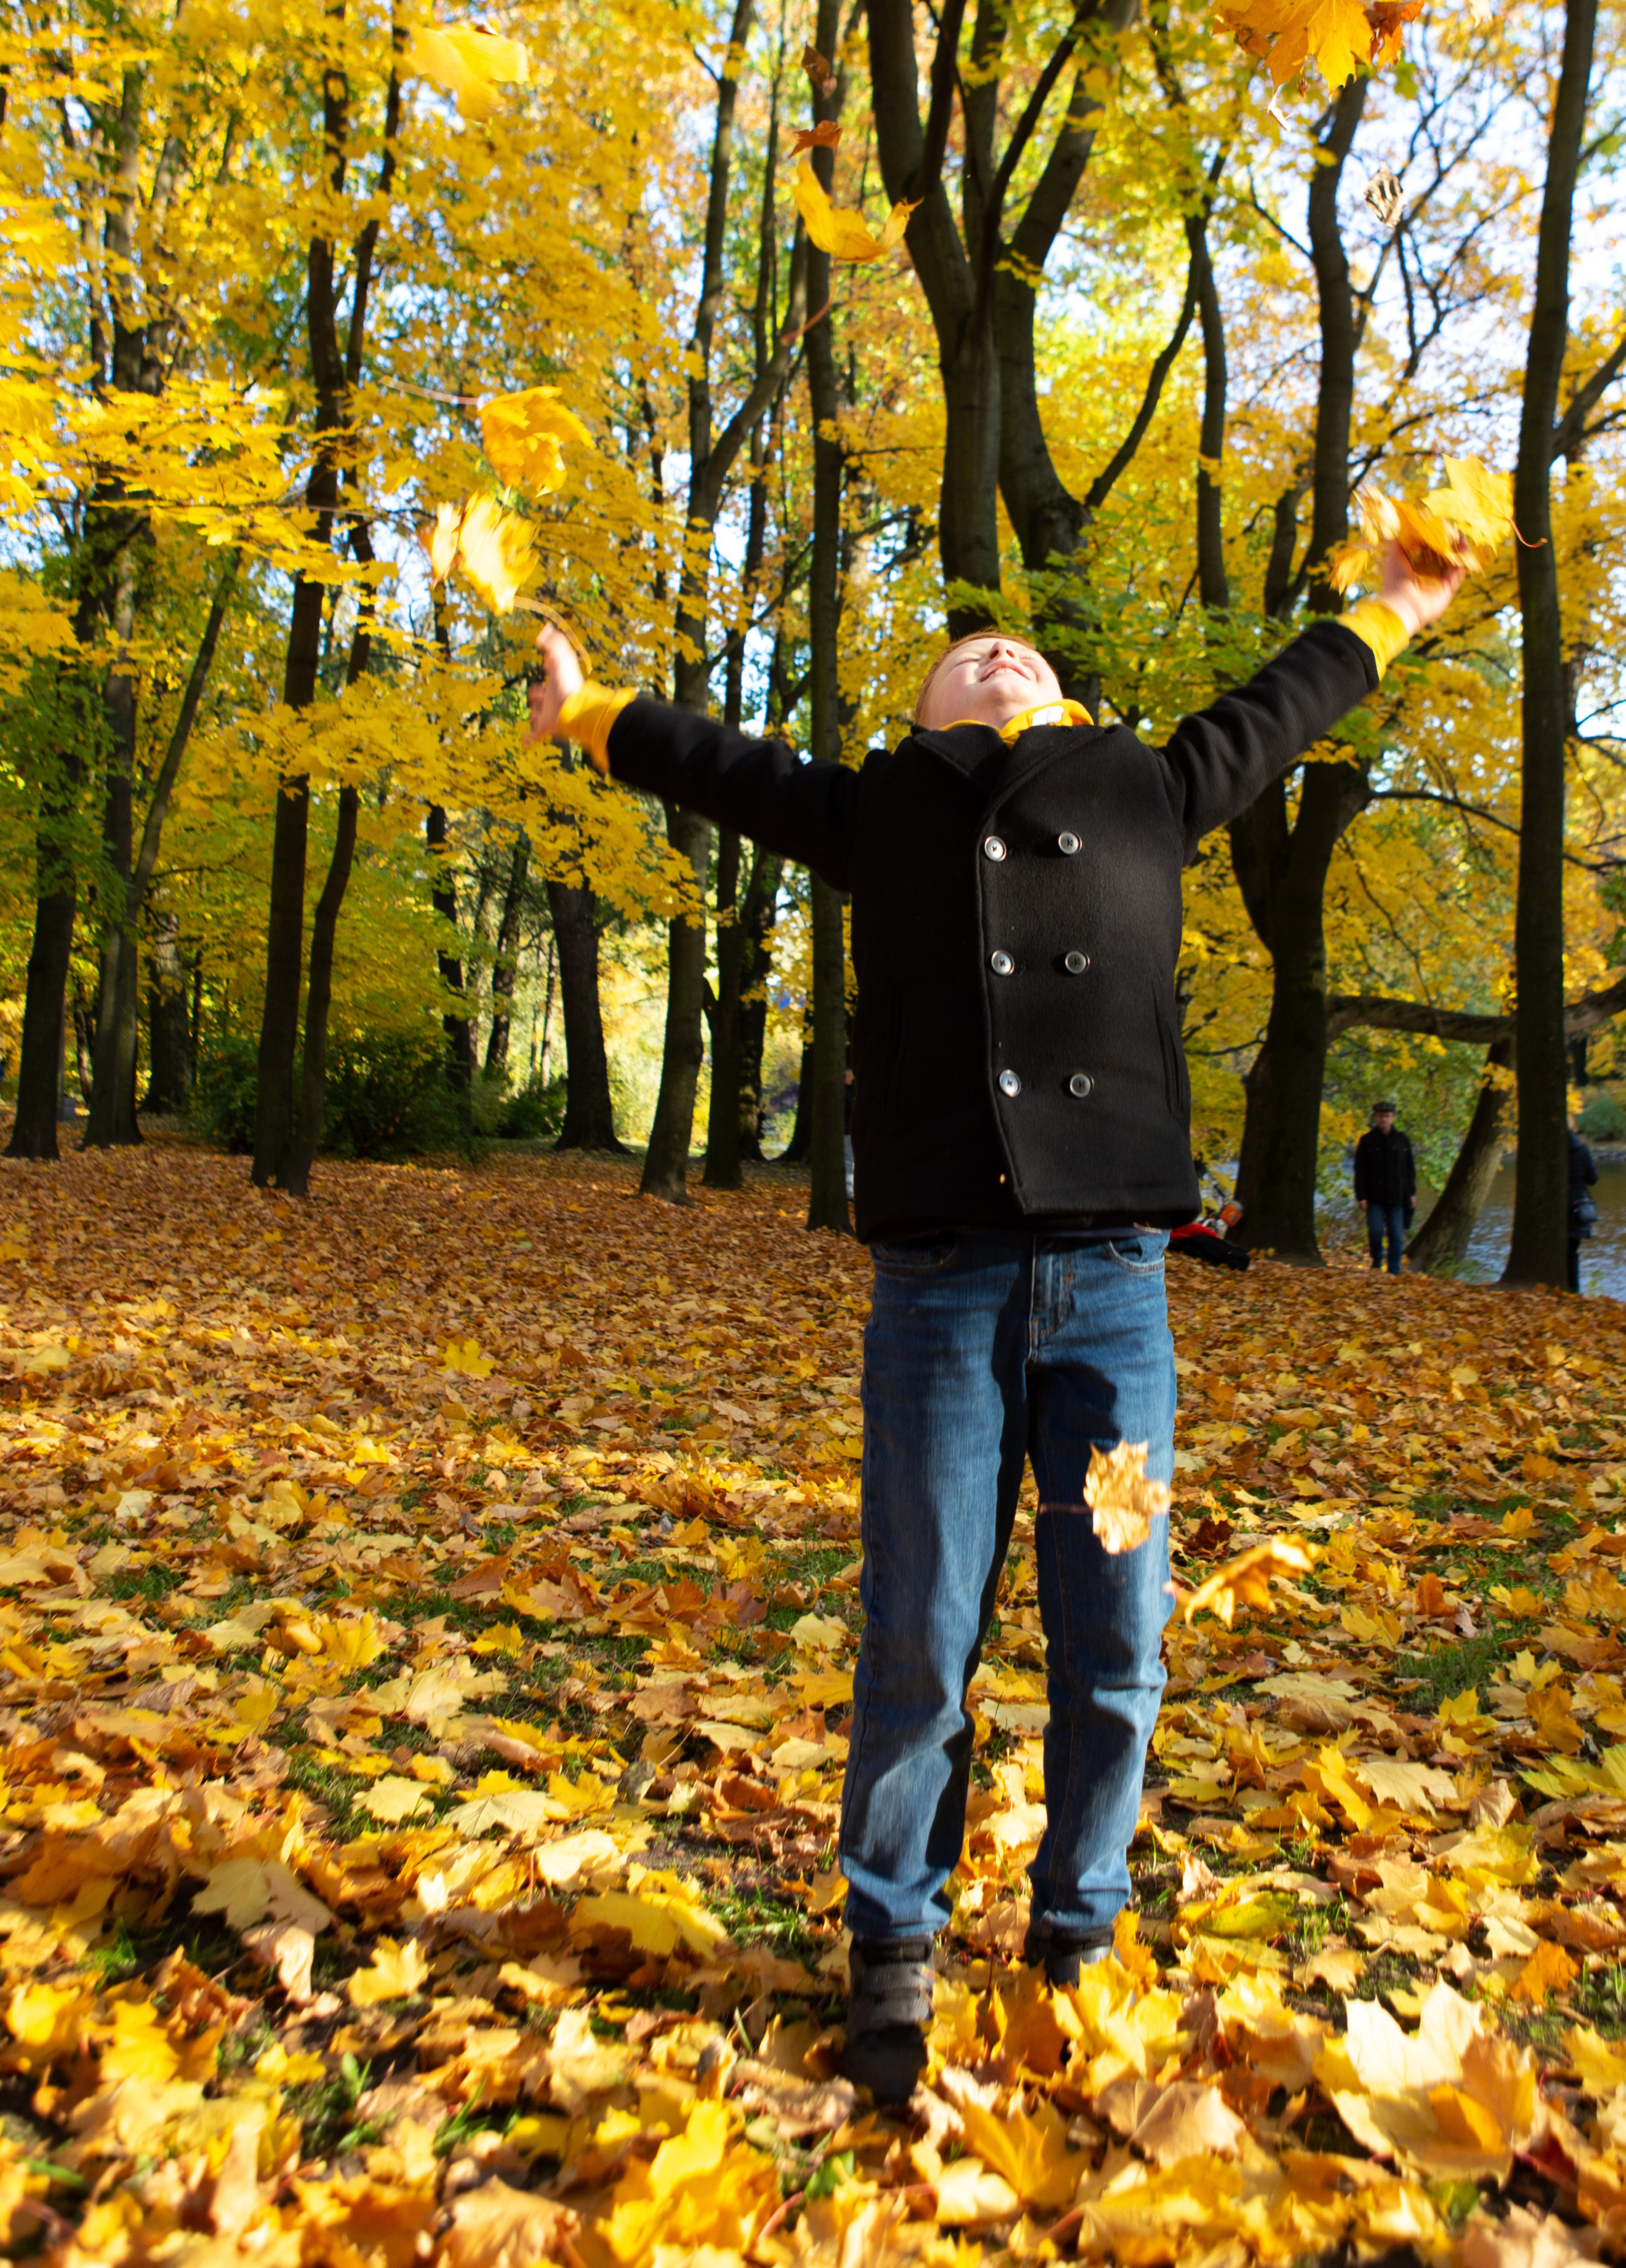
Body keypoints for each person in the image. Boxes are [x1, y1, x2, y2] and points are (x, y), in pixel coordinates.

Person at [526, 541, 1461, 2102]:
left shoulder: (1152, 787)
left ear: (1075, 700)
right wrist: (593, 713)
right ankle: (890, 1948)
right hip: (940, 1297)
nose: (1000, 652)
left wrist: (1395, 609)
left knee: (1117, 1635)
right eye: (968, 653)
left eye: (1024, 650)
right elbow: (721, 763)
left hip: (1116, 1304)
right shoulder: (878, 809)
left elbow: (1281, 701)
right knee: (917, 1636)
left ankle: (1074, 1935)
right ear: (918, 713)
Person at [1353, 1099, 1416, 1274]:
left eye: (1387, 1116)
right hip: (1374, 1197)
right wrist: (1361, 1196)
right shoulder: (1366, 1141)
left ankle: (1394, 1270)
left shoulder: (1402, 1140)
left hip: (1397, 1196)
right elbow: (1360, 1171)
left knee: (1396, 1234)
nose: (1384, 1120)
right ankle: (1376, 1263)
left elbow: (1409, 1169)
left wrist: (1411, 1193)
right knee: (1375, 1232)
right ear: (1375, 1118)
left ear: (1393, 1118)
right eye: (1380, 1116)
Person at [1568, 1122, 1599, 1292]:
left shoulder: (1551, 1150)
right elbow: (1592, 1178)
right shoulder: (1582, 1150)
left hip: (1557, 1210)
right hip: (1577, 1208)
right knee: (1572, 1252)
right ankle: (1574, 1290)